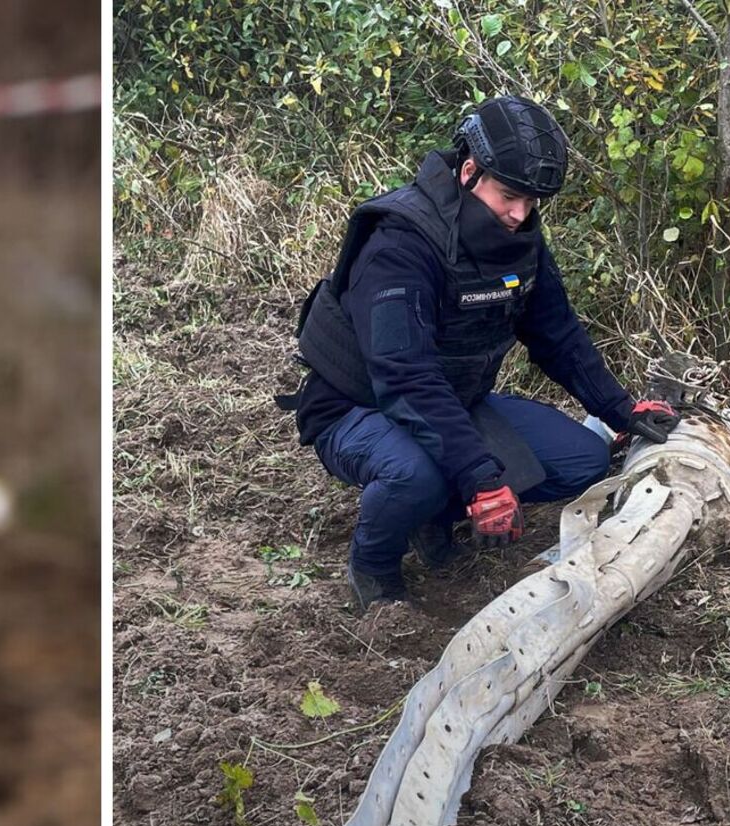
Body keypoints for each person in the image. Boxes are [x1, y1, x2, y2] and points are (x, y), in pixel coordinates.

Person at [279, 95, 681, 609]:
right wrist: (479, 477)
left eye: (533, 201)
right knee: (415, 475)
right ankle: (374, 564)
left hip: (452, 398)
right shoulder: (400, 242)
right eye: (510, 196)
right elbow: (403, 375)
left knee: (582, 461)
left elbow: (557, 333)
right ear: (470, 170)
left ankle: (434, 514)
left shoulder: (519, 236)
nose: (521, 214)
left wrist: (620, 410)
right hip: (356, 406)